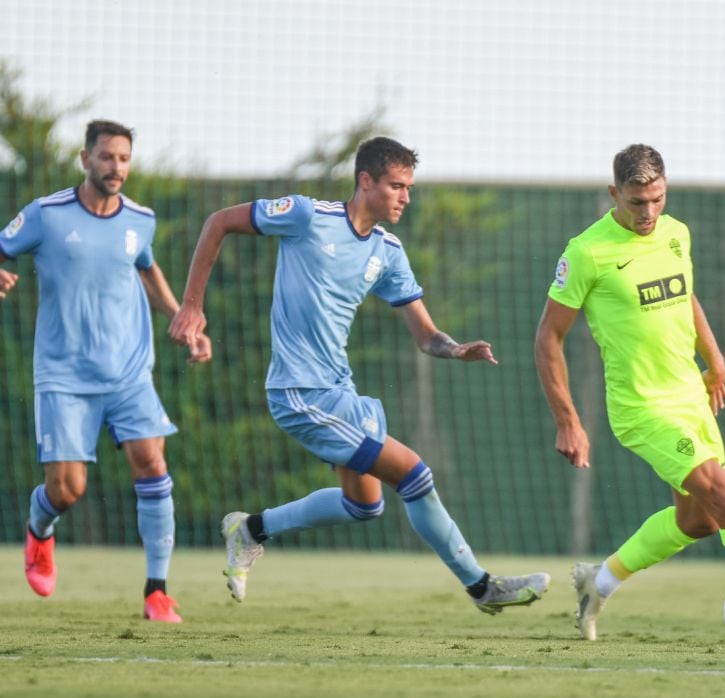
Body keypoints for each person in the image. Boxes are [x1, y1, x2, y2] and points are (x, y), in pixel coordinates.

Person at [167, 136, 549, 615]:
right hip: (299, 392)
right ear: (365, 181)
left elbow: (426, 335)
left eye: (409, 187)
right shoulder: (307, 216)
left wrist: (455, 350)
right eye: (396, 186)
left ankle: (250, 530)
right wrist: (192, 305)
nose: (405, 197)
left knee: (364, 504)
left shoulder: (388, 252)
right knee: (413, 473)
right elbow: (218, 222)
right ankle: (482, 587)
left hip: (340, 392)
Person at [534, 144, 725, 645]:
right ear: (614, 194)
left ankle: (600, 581)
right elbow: (548, 335)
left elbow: (685, 295)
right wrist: (567, 419)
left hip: (690, 398)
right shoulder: (586, 252)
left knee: (696, 521)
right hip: (642, 409)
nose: (649, 212)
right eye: (636, 202)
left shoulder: (677, 234)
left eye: (657, 199)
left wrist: (714, 358)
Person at [0, 119, 212, 623]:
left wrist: (182, 316)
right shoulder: (46, 216)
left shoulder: (141, 219)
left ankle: (157, 591)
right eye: (106, 157)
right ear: (85, 159)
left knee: (152, 463)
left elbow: (145, 266)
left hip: (128, 372)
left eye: (123, 158)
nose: (115, 167)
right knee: (66, 490)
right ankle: (39, 526)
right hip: (63, 374)